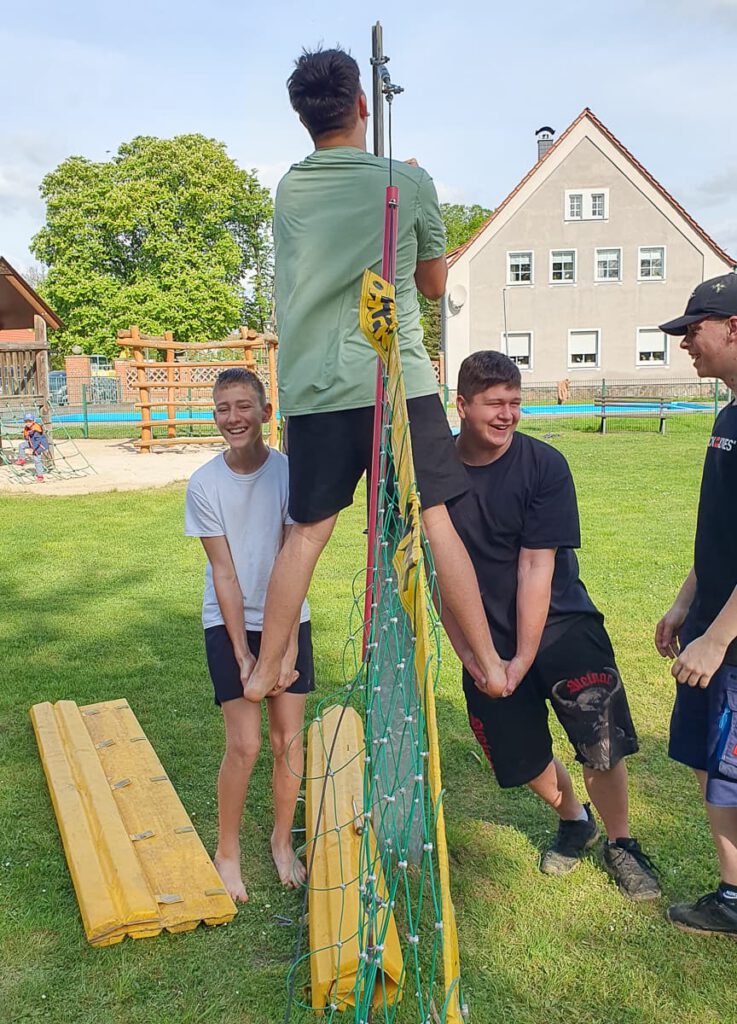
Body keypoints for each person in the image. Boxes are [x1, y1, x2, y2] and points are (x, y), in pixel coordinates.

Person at [243, 47, 505, 702]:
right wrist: (410, 191)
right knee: (436, 520)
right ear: (363, 106)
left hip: (315, 389)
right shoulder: (407, 182)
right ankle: (487, 662)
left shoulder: (289, 187)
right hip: (396, 384)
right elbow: (433, 281)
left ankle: (266, 667)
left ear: (303, 117)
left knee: (305, 532)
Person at [447, 350, 660, 900]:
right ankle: (574, 819)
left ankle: (621, 842)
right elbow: (437, 572)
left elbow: (537, 566)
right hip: (485, 638)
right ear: (462, 404)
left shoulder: (544, 465)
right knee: (519, 757)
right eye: (495, 403)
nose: (507, 415)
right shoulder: (437, 475)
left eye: (515, 403)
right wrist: (472, 657)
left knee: (600, 741)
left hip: (564, 625)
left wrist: (520, 659)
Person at [184, 368, 314, 902]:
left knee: (288, 739)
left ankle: (282, 841)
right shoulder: (204, 484)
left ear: (265, 411)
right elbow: (225, 574)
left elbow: (292, 556)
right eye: (222, 408)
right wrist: (242, 651)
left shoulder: (290, 474)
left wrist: (280, 648)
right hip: (228, 620)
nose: (233, 417)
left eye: (243, 406)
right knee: (245, 743)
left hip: (289, 618)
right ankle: (228, 851)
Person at [655, 273, 737, 935]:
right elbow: (721, 529)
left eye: (692, 329)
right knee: (714, 769)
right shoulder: (727, 416)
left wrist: (718, 637)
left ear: (733, 326)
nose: (684, 343)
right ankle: (731, 894)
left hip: (730, 643)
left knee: (731, 772)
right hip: (712, 626)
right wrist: (687, 604)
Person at [16, 412, 50, 482]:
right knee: (21, 445)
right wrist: (26, 435)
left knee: (37, 460)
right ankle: (22, 459)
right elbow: (27, 438)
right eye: (26, 421)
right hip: (32, 443)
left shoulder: (36, 429)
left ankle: (40, 476)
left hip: (40, 446)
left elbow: (37, 441)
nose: (28, 423)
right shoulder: (27, 428)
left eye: (30, 421)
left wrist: (33, 450)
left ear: (33, 421)